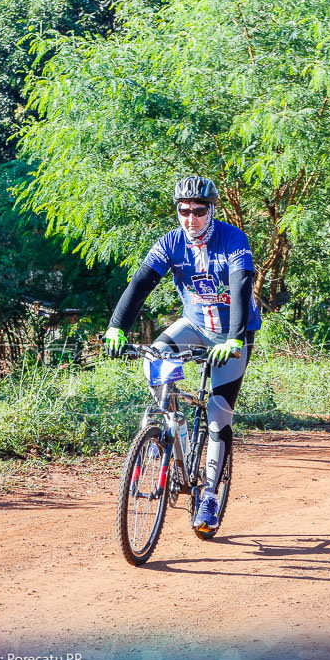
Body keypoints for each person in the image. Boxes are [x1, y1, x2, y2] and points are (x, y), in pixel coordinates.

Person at [103, 176, 261, 532]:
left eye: (199, 210)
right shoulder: (171, 243)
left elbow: (241, 286)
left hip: (233, 333)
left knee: (220, 416)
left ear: (212, 210)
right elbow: (141, 283)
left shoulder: (232, 239)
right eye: (184, 210)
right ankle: (173, 427)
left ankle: (208, 497)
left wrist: (234, 338)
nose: (191, 218)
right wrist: (116, 326)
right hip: (193, 326)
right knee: (155, 354)